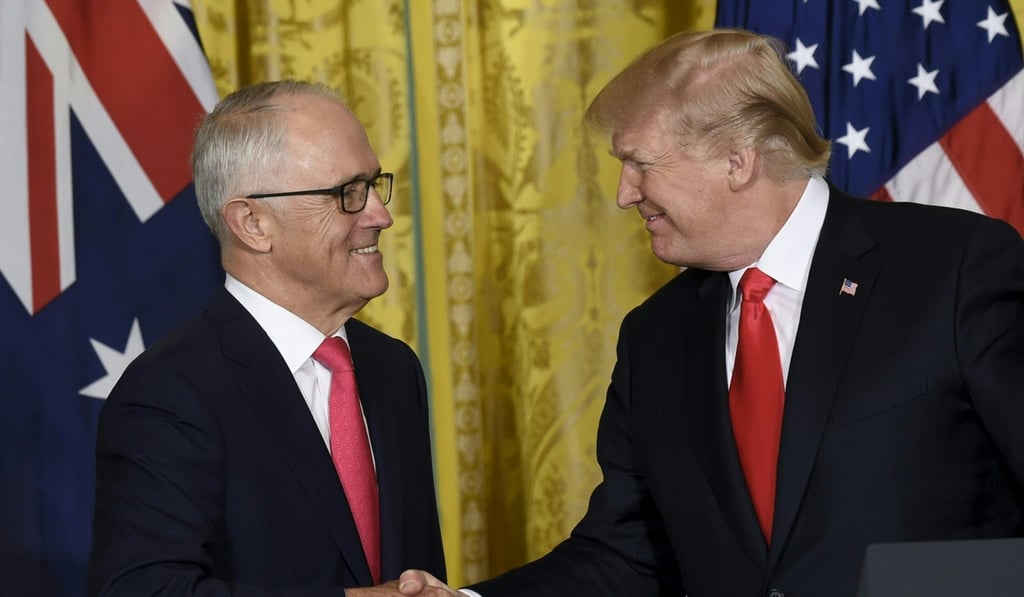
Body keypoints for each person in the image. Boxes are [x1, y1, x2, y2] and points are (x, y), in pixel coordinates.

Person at [402, 28, 1024, 597]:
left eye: (639, 162)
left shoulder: (955, 268)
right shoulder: (655, 337)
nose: (623, 194)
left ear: (738, 158)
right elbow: (630, 552)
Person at [88, 80, 449, 596]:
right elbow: (142, 590)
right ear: (253, 223)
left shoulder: (393, 368)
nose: (380, 215)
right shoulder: (171, 391)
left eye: (374, 184)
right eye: (346, 193)